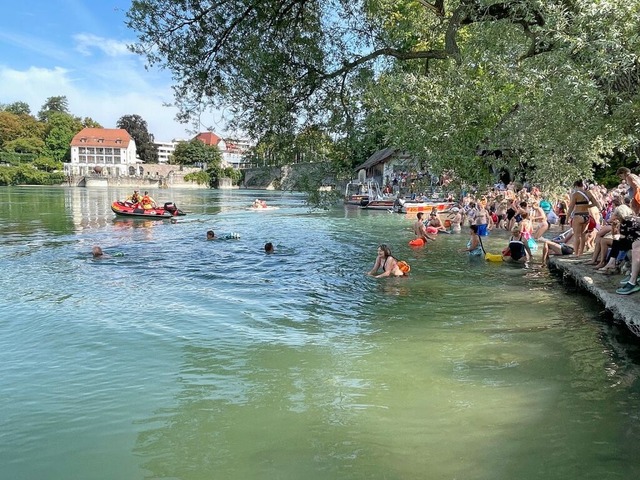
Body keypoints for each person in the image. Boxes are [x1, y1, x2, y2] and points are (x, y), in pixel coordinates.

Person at [567, 179, 598, 256]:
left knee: (577, 235)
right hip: (586, 216)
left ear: (576, 186)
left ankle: (576, 253)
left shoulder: (575, 194)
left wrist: (567, 217)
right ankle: (581, 253)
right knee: (583, 235)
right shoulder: (589, 193)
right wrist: (587, 205)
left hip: (578, 215)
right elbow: (595, 203)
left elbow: (571, 207)